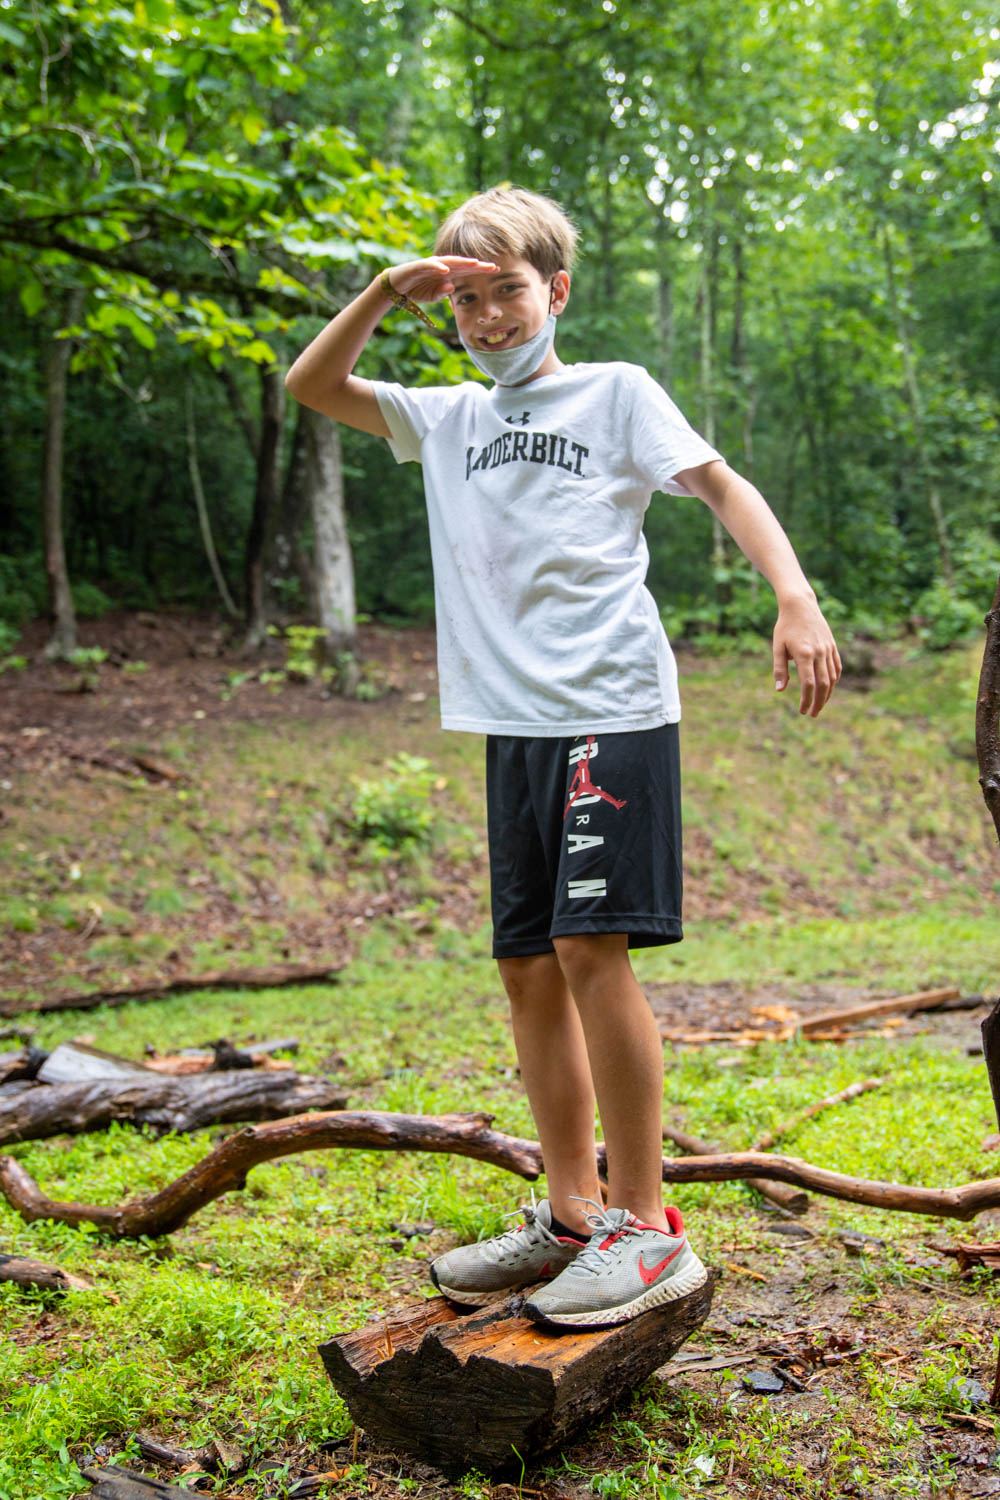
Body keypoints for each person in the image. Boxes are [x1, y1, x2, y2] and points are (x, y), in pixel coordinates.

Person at [285, 186, 841, 1328]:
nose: (489, 316)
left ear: (558, 292)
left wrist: (794, 597)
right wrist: (385, 291)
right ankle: (572, 1209)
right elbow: (312, 385)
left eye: (510, 291)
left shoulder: (614, 393)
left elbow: (720, 483)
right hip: (513, 722)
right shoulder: (447, 418)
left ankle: (645, 1225)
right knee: (528, 968)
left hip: (611, 705)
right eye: (467, 300)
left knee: (592, 948)